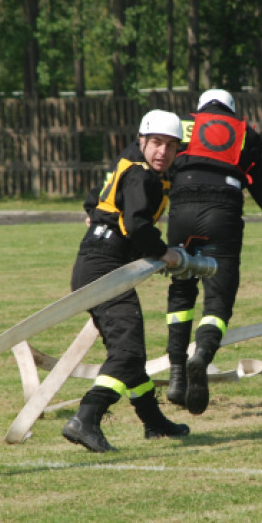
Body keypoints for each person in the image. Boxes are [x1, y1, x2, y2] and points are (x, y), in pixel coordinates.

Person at [164, 89, 262, 416]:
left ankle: (177, 375)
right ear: (232, 111)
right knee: (218, 300)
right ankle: (201, 356)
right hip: (221, 215)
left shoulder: (180, 127)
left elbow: (151, 167)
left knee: (181, 290)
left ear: (199, 110)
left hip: (181, 213)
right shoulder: (246, 135)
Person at [62, 110, 193, 453]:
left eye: (170, 145)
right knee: (128, 350)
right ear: (142, 142)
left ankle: (153, 421)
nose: (162, 152)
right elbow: (136, 225)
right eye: (156, 143)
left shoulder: (131, 166)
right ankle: (86, 417)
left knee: (128, 350)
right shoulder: (141, 176)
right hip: (104, 266)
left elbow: (93, 198)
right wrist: (163, 252)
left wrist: (97, 217)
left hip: (96, 262)